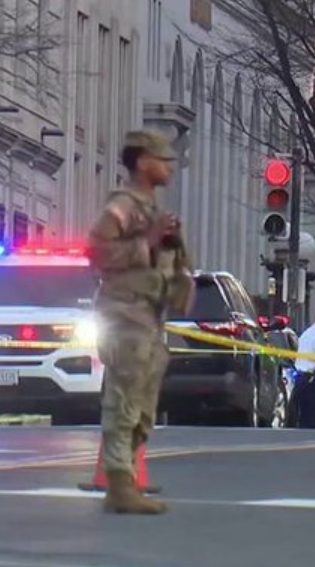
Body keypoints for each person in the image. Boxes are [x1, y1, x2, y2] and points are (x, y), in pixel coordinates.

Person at [88, 130, 193, 514]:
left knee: (144, 404)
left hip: (149, 315)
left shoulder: (152, 210)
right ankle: (118, 482)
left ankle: (127, 476)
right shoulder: (122, 206)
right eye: (163, 159)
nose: (170, 166)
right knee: (124, 397)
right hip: (124, 313)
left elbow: (173, 264)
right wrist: (146, 241)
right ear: (142, 161)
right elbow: (97, 251)